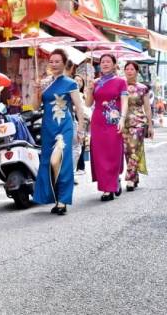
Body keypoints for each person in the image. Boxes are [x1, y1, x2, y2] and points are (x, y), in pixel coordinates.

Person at [32, 49, 85, 215]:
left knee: (62, 161)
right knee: (48, 162)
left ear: (64, 63)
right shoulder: (44, 83)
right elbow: (35, 107)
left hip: (64, 127)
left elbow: (79, 108)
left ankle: (63, 200)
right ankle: (56, 198)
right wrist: (36, 91)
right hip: (47, 127)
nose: (54, 64)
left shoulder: (71, 83)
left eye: (57, 61)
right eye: (51, 61)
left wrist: (81, 129)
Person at [85, 53, 129, 201]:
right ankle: (107, 187)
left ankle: (113, 181)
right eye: (102, 62)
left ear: (114, 64)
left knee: (113, 152)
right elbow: (88, 104)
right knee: (100, 154)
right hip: (97, 120)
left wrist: (122, 119)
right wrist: (89, 89)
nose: (104, 64)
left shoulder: (121, 81)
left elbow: (124, 101)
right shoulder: (95, 82)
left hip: (113, 119)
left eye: (108, 61)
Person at [122, 61, 153, 191]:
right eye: (127, 69)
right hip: (122, 122)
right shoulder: (120, 85)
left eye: (132, 69)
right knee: (127, 150)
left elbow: (147, 107)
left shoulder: (142, 88)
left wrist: (150, 125)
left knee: (134, 148)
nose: (129, 71)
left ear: (136, 71)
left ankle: (130, 179)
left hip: (138, 122)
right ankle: (134, 176)